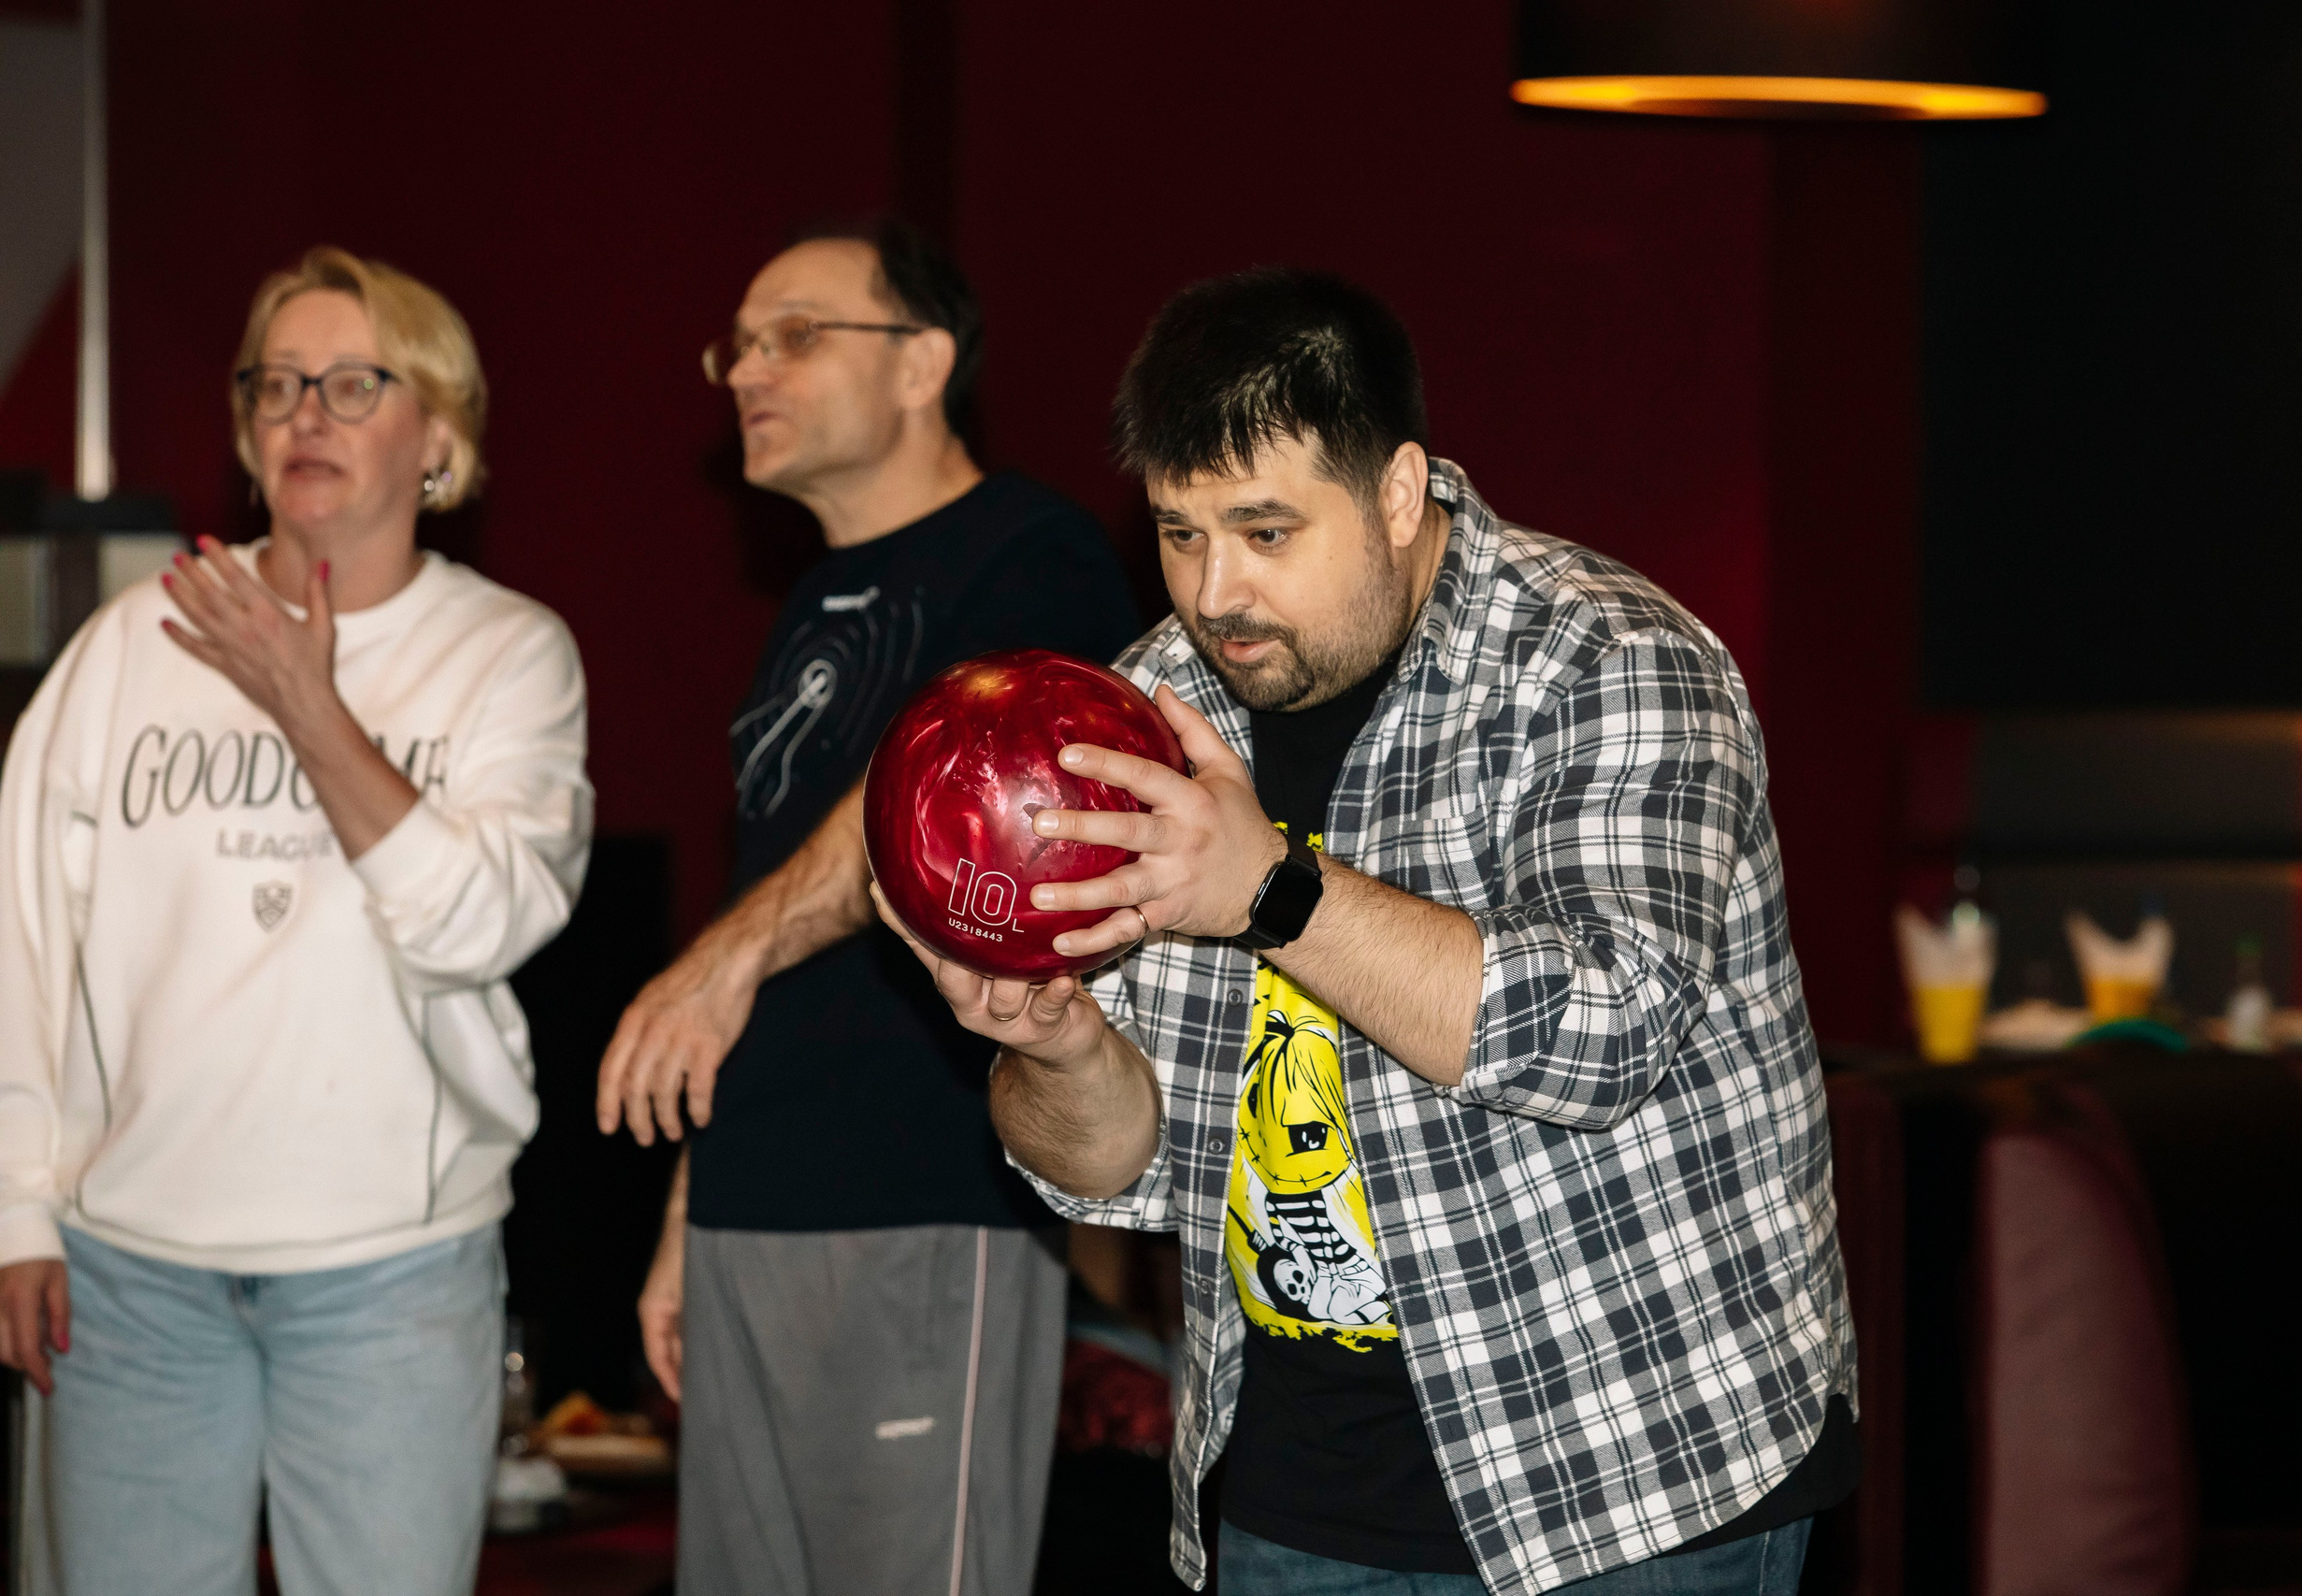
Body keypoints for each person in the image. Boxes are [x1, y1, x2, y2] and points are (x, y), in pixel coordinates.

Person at [879, 269, 1859, 1596]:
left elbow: (1601, 1033)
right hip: (1297, 1506)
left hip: (1630, 1486)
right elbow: (1112, 1171)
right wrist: (1049, 1049)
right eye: (1178, 532)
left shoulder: (1612, 663)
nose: (1215, 592)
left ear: (1400, 493)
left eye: (1266, 531)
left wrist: (1270, 892)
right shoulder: (1158, 702)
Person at [0, 246, 592, 1595]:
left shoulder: (510, 655)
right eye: (275, 385)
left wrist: (308, 704)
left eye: (349, 383)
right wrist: (17, 1214)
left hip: (391, 1274)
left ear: (436, 436)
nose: (302, 414)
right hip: (127, 1276)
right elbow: (20, 941)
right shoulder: (128, 646)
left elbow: (481, 925)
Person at [593, 218, 1141, 1596]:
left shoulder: (1032, 556)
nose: (744, 373)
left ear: (923, 363)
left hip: (920, 1191)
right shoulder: (812, 606)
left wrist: (718, 957)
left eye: (793, 334)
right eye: (737, 347)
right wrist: (686, 1205)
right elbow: (762, 906)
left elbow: (906, 818)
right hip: (750, 1200)